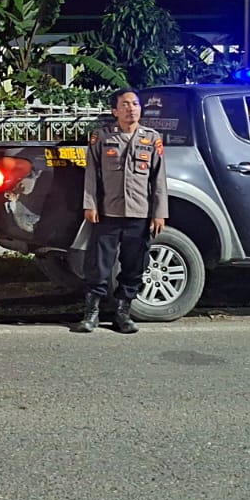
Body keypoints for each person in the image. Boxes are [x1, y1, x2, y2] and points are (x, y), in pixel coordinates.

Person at [77, 89, 168, 334]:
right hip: (108, 212)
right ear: (114, 111)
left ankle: (122, 313)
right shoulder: (102, 137)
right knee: (98, 265)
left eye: (135, 104)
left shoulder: (152, 138)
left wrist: (159, 212)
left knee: (134, 265)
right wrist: (90, 204)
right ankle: (92, 313)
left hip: (140, 214)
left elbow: (158, 179)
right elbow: (92, 174)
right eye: (125, 105)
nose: (131, 109)